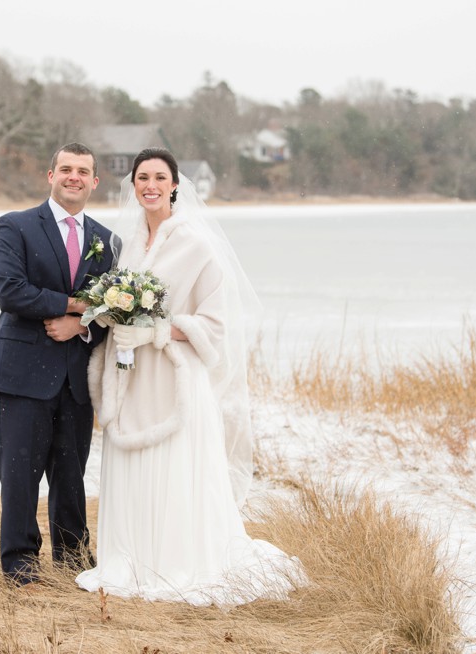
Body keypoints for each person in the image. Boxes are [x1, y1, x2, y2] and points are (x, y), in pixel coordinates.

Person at [75, 148, 303, 605]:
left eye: (160, 177)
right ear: (133, 184)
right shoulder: (123, 246)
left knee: (177, 470)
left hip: (177, 379)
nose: (151, 185)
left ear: (176, 184)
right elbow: (106, 306)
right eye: (143, 177)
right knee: (133, 465)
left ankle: (179, 560)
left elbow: (215, 325)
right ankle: (132, 558)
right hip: (133, 378)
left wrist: (158, 330)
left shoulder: (198, 245)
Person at [0, 143, 118, 585]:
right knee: (20, 473)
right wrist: (72, 306)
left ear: (95, 181)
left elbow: (114, 313)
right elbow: (10, 290)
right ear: (50, 175)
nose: (74, 177)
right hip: (23, 372)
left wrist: (80, 327)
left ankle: (73, 558)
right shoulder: (15, 226)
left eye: (83, 171)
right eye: (66, 169)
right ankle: (20, 563)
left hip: (76, 377)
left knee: (71, 474)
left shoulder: (108, 241)